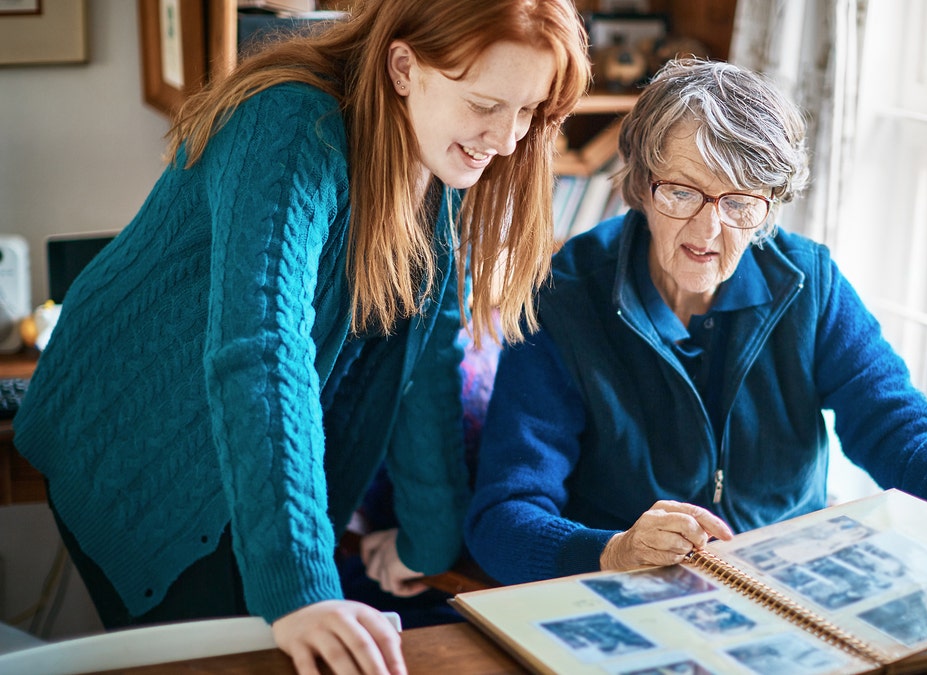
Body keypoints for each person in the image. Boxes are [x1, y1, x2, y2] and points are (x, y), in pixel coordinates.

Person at [14, 1, 588, 673]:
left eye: (528, 112)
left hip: (243, 437)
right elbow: (263, 348)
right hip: (134, 436)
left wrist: (427, 540)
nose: (507, 138)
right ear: (404, 67)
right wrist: (301, 587)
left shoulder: (438, 161)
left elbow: (427, 356)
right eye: (486, 104)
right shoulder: (289, 124)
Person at [464, 58, 927, 587]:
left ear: (770, 207)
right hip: (629, 590)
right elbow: (501, 520)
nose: (707, 232)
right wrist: (614, 551)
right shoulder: (564, 296)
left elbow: (891, 418)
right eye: (682, 192)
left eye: (740, 202)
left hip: (782, 581)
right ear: (642, 186)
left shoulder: (807, 282)